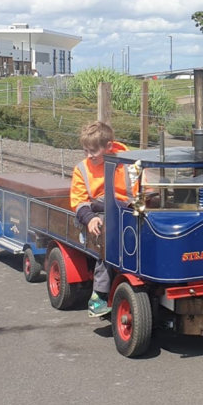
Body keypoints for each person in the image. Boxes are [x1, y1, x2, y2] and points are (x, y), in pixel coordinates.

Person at [70, 121, 129, 317]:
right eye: (85, 150)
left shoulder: (129, 161)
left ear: (109, 147)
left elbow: (144, 188)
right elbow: (79, 201)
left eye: (93, 151)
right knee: (107, 235)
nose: (88, 155)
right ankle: (99, 296)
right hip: (99, 212)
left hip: (128, 208)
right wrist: (90, 218)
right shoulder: (82, 169)